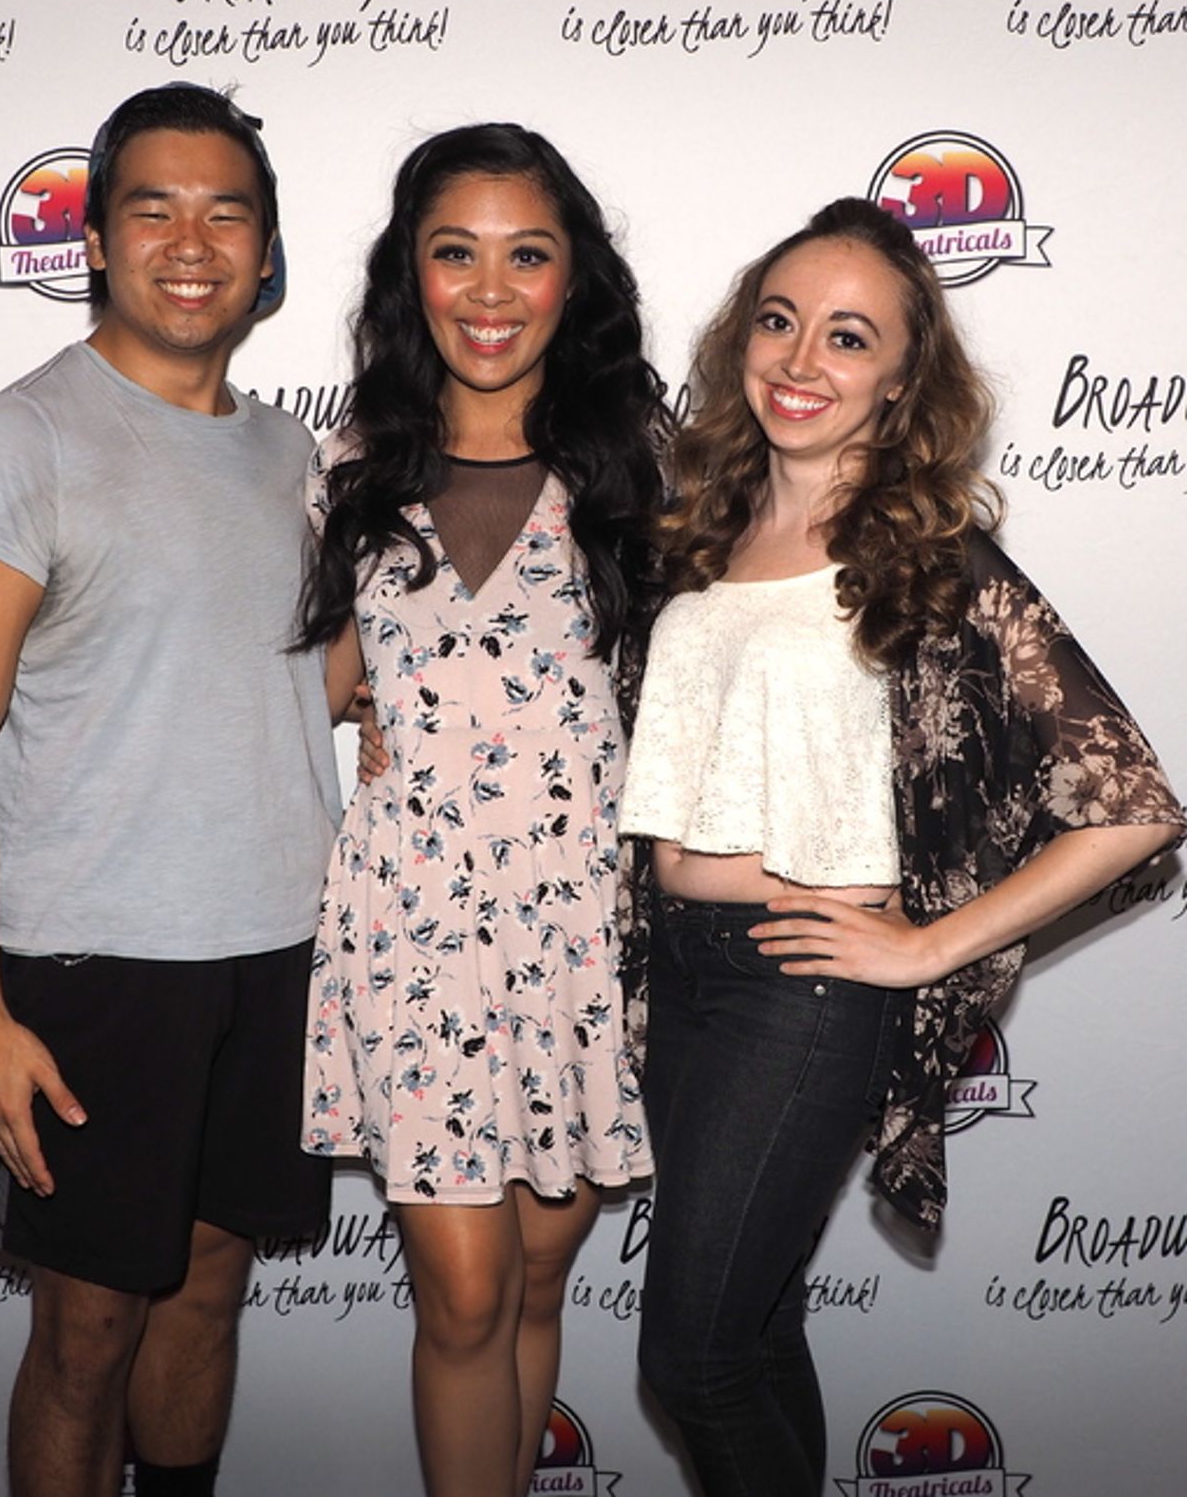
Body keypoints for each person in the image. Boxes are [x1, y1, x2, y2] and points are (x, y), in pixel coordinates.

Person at [619, 196, 1184, 1497]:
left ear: (903, 380)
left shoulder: (932, 556)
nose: (800, 359)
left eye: (849, 336)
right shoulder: (699, 533)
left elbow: (1136, 802)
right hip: (680, 973)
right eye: (778, 321)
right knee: (752, 1332)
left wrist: (930, 941)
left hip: (800, 986)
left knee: (692, 1357)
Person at [0, 83, 340, 1497]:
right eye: (153, 208)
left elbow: (290, 679)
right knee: (87, 1328)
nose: (192, 241)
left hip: (279, 948)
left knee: (210, 1292)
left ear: (267, 252)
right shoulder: (20, 442)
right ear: (94, 238)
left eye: (228, 211)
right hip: (94, 966)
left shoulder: (290, 453)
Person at [296, 123, 667, 1497]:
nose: (492, 287)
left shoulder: (640, 476)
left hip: (581, 938)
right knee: (460, 1293)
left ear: (575, 281)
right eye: (457, 251)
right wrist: (380, 703)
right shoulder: (343, 474)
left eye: (529, 252)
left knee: (526, 1292)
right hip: (416, 939)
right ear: (413, 274)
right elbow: (306, 679)